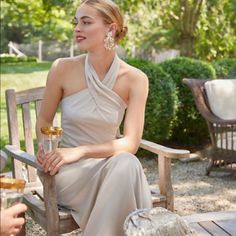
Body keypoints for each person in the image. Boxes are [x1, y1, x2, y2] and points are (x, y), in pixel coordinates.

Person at [36, 0, 152, 235]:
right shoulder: (62, 68)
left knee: (126, 163)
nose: (77, 28)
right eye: (76, 22)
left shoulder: (135, 79)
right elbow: (44, 121)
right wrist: (46, 147)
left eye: (86, 22)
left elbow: (130, 144)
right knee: (126, 170)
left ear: (111, 29)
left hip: (109, 166)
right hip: (67, 171)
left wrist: (81, 151)